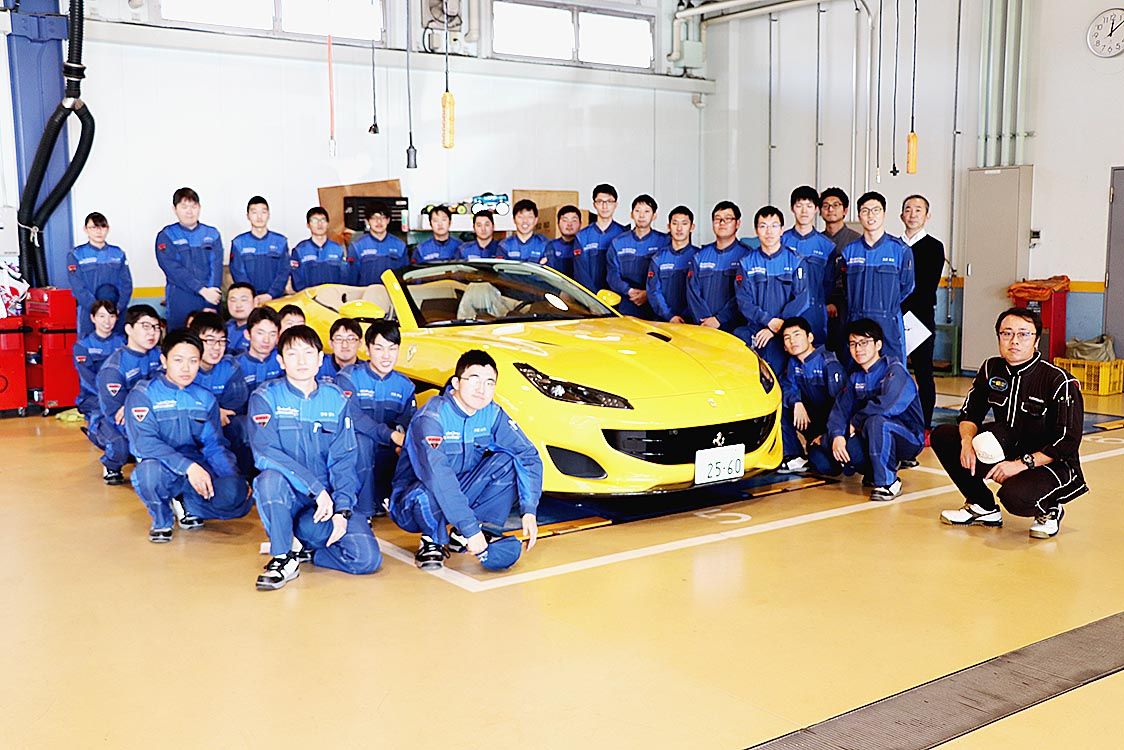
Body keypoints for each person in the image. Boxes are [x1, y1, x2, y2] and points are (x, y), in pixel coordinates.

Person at [249, 325, 382, 590]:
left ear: (320, 359)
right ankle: (283, 557)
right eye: (292, 354)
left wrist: (342, 509)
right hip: (290, 496)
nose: (301, 361)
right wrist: (315, 488)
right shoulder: (265, 397)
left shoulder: (335, 399)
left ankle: (304, 548)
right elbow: (265, 453)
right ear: (281, 361)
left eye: (308, 353)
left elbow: (344, 460)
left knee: (366, 559)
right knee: (268, 480)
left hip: (326, 504)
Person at [935, 308, 1086, 539]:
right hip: (1010, 448)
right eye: (1007, 333)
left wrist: (1020, 465)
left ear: (1036, 340)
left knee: (1013, 497)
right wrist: (966, 443)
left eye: (1023, 334)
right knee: (945, 436)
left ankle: (1050, 509)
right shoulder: (991, 369)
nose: (1014, 341)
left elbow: (1067, 442)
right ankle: (982, 505)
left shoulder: (1058, 381)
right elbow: (970, 414)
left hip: (1052, 463)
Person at [390, 349, 542, 572]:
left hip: (461, 489)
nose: (482, 389)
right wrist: (471, 528)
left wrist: (529, 510)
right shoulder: (432, 417)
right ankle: (432, 539)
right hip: (413, 499)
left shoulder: (491, 414)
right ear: (456, 383)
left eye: (489, 383)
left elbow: (527, 455)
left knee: (507, 462)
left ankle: (462, 534)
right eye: (474, 380)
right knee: (427, 493)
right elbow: (439, 477)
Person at [125, 330, 252, 543]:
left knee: (236, 495)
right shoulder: (144, 395)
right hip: (162, 464)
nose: (186, 368)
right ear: (164, 361)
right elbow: (145, 443)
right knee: (148, 474)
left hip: (198, 464)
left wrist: (232, 477)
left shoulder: (204, 398)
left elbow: (214, 445)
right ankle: (162, 518)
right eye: (178, 360)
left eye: (193, 361)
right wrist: (188, 467)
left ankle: (187, 504)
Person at [810, 318, 925, 500]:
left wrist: (855, 422)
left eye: (864, 342)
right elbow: (840, 410)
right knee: (821, 457)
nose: (858, 349)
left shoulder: (895, 371)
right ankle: (873, 471)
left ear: (878, 345)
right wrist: (836, 436)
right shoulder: (855, 377)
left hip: (909, 437)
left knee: (877, 422)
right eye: (853, 344)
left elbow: (886, 406)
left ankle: (888, 482)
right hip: (869, 433)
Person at [336, 320, 417, 520]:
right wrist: (390, 435)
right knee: (363, 441)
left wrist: (400, 438)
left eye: (392, 348)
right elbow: (354, 417)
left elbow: (407, 422)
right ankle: (364, 513)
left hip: (387, 453)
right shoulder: (348, 377)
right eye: (379, 348)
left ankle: (404, 508)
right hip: (355, 451)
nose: (386, 355)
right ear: (367, 349)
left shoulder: (405, 386)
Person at [733, 206, 809, 378]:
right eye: (763, 226)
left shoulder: (796, 261)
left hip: (785, 334)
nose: (769, 232)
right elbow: (743, 301)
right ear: (756, 231)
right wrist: (767, 321)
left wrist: (777, 326)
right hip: (755, 332)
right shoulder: (746, 263)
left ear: (782, 230)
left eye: (774, 226)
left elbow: (801, 299)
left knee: (785, 380)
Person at [840, 192, 915, 365]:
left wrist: (885, 307)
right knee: (856, 370)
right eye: (865, 211)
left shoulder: (900, 250)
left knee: (893, 369)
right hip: (856, 320)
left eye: (876, 210)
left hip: (888, 322)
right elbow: (844, 286)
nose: (870, 215)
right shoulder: (849, 251)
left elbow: (907, 286)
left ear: (884, 213)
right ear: (859, 215)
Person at [93, 305, 163, 485]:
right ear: (129, 329)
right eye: (145, 326)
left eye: (156, 327)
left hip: (149, 412)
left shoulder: (161, 356)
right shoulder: (114, 367)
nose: (152, 332)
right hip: (110, 420)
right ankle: (111, 464)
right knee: (121, 446)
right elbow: (115, 413)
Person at [900, 194, 946, 434]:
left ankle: (925, 425)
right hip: (893, 317)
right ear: (901, 215)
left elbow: (927, 286)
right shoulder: (893, 245)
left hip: (920, 318)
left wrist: (904, 309)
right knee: (893, 370)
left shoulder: (934, 247)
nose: (912, 214)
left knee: (923, 371)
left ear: (927, 216)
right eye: (908, 209)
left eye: (918, 210)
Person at [778, 316, 845, 473]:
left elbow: (841, 406)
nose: (792, 341)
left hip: (832, 426)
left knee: (826, 467)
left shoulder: (828, 363)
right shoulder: (793, 363)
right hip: (811, 420)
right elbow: (787, 386)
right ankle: (793, 456)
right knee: (779, 405)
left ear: (810, 337)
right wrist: (796, 402)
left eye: (797, 335)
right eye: (787, 338)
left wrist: (828, 435)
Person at [189, 312, 250, 473]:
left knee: (242, 426)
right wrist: (215, 412)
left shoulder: (230, 367)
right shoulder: (184, 367)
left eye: (222, 341)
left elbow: (235, 405)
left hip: (224, 427)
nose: (216, 347)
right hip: (189, 427)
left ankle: (242, 475)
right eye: (210, 340)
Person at [155, 187, 223, 329]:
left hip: (210, 297)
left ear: (199, 207)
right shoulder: (167, 235)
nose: (189, 211)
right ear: (175, 209)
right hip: (181, 298)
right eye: (184, 207)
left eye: (193, 206)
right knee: (180, 337)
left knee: (210, 336)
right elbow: (173, 270)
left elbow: (216, 267)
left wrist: (211, 299)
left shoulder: (212, 234)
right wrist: (201, 290)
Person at [782, 186, 836, 345]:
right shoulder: (781, 241)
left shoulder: (826, 246)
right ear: (792, 208)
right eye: (799, 206)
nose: (804, 211)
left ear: (816, 209)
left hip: (815, 311)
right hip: (785, 310)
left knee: (816, 350)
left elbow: (829, 282)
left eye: (809, 206)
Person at [687, 201, 750, 332]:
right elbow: (692, 292)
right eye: (717, 219)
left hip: (735, 328)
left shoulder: (747, 256)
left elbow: (745, 294)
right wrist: (704, 320)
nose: (722, 223)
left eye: (728, 218)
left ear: (738, 223)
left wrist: (719, 319)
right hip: (703, 326)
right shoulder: (700, 256)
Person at [68, 212, 132, 338]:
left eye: (102, 227)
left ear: (108, 229)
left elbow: (126, 283)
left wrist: (118, 308)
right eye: (94, 227)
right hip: (89, 312)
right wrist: (96, 310)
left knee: (118, 344)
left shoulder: (118, 253)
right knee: (89, 344)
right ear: (85, 229)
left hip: (116, 312)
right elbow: (78, 286)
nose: (99, 231)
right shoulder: (76, 255)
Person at [606, 195, 669, 319]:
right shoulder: (618, 242)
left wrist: (648, 293)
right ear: (631, 214)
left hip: (656, 307)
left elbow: (668, 278)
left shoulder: (664, 242)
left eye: (647, 211)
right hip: (626, 303)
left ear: (654, 216)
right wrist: (628, 291)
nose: (641, 216)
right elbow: (612, 275)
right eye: (637, 211)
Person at [74, 300, 126, 434]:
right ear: (93, 318)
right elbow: (87, 379)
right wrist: (108, 397)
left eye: (111, 316)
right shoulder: (83, 346)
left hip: (120, 394)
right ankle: (96, 432)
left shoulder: (124, 342)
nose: (107, 321)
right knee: (107, 414)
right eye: (102, 316)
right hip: (93, 396)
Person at [820, 187, 861, 355]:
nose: (830, 209)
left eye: (836, 205)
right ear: (820, 211)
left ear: (845, 210)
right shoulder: (817, 241)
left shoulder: (856, 241)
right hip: (821, 301)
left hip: (848, 303)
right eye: (826, 205)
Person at [229, 195, 290, 305]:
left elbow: (284, 271)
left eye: (263, 212)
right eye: (254, 212)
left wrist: (271, 294)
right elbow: (238, 273)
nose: (259, 216)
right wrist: (252, 295)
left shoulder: (280, 242)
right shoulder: (238, 243)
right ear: (248, 216)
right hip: (250, 301)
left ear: (268, 214)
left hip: (275, 299)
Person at [646, 205, 697, 323]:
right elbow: (654, 291)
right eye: (675, 223)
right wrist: (669, 316)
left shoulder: (699, 257)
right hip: (663, 321)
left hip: (692, 321)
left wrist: (687, 315)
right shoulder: (658, 258)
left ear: (692, 227)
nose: (679, 228)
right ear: (669, 227)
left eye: (684, 223)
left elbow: (701, 292)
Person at [574, 183, 628, 292]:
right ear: (594, 204)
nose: (604, 206)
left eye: (609, 201)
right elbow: (580, 273)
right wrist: (593, 297)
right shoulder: (582, 236)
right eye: (600, 201)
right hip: (590, 297)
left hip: (618, 297)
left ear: (615, 204)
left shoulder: (624, 234)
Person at [290, 207, 351, 291]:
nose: (319, 224)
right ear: (308, 225)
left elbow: (345, 277)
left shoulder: (338, 249)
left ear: (328, 224)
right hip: (308, 297)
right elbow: (296, 279)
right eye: (315, 220)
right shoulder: (299, 250)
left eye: (323, 220)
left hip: (333, 296)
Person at [348, 205, 409, 284]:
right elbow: (351, 279)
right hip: (366, 291)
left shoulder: (400, 246)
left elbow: (406, 277)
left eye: (383, 217)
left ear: (388, 220)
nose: (379, 221)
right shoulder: (357, 247)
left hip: (392, 291)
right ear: (367, 221)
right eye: (374, 218)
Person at [235, 307, 282, 392]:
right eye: (260, 333)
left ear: (278, 337)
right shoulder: (235, 366)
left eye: (272, 334)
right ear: (247, 334)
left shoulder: (283, 361)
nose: (266, 340)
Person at [317, 318, 362, 383]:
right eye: (339, 339)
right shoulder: (318, 364)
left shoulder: (368, 370)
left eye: (351, 339)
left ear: (360, 343)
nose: (344, 345)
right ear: (331, 343)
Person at [546, 205, 581, 278]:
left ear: (580, 223)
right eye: (565, 220)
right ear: (558, 223)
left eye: (574, 220)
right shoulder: (551, 246)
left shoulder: (584, 245)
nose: (569, 224)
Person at [224, 282, 255, 356]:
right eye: (233, 300)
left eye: (243, 300)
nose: (238, 305)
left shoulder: (260, 330)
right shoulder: (223, 328)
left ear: (255, 302)